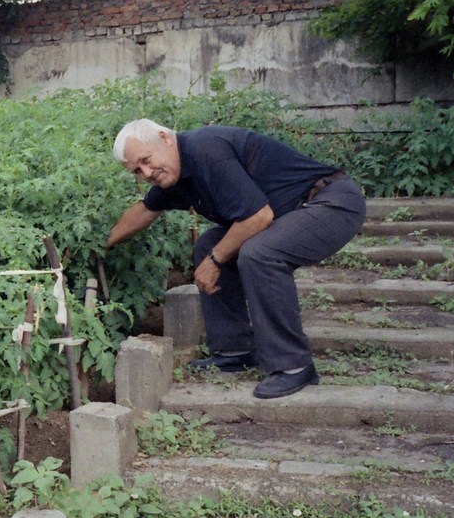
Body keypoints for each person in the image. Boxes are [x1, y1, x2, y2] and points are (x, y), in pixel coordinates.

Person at [105, 119, 366, 399]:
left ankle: (294, 366)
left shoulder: (207, 150)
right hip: (291, 211)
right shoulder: (175, 174)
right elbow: (146, 209)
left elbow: (258, 217)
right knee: (209, 244)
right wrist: (102, 244)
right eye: (137, 171)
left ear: (164, 139)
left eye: (146, 160)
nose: (146, 173)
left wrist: (214, 262)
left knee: (259, 254)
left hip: (330, 202)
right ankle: (235, 350)